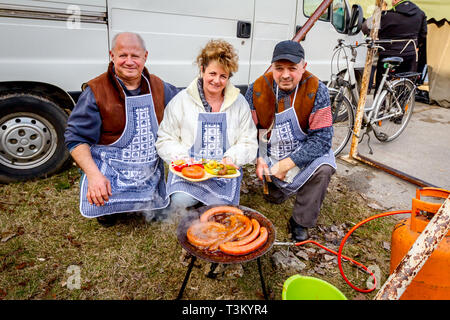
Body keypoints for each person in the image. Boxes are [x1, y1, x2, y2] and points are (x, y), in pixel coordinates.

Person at [64, 32, 179, 227]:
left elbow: (187, 103)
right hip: (110, 174)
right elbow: (75, 138)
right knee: (107, 213)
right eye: (122, 55)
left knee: (158, 211)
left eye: (135, 56)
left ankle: (149, 202)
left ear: (145, 57)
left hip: (148, 175)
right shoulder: (96, 91)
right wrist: (94, 175)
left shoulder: (159, 86)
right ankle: (107, 208)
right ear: (112, 56)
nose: (129, 62)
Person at [245, 40, 336, 241]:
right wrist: (259, 158)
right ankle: (276, 189)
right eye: (279, 69)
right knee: (273, 198)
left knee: (324, 168)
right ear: (272, 67)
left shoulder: (316, 89)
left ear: (304, 67)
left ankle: (300, 221)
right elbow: (251, 131)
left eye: (292, 69)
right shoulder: (258, 88)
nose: (285, 75)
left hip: (304, 148)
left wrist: (287, 164)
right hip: (271, 149)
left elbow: (322, 139)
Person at [156, 39, 258, 212]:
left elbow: (248, 141)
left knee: (222, 209)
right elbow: (165, 138)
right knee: (180, 200)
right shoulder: (182, 100)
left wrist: (232, 158)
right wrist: (182, 158)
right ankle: (193, 200)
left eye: (223, 76)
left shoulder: (239, 103)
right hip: (190, 171)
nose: (217, 81)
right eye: (212, 73)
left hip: (222, 173)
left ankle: (208, 203)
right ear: (202, 70)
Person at [369, 0, 427, 91]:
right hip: (409, 54)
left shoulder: (387, 15)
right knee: (406, 86)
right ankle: (402, 104)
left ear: (395, 0)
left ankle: (381, 104)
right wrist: (416, 45)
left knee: (382, 85)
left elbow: (368, 28)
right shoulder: (420, 13)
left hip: (388, 54)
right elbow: (423, 34)